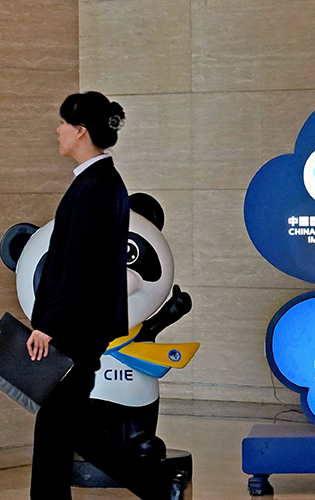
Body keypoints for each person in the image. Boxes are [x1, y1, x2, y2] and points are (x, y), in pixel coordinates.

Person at [25, 91, 186, 500]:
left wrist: (49, 325)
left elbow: (79, 270)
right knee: (59, 424)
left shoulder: (93, 188)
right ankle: (155, 484)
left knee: (72, 425)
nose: (58, 130)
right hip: (84, 328)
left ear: (81, 131)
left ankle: (158, 483)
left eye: (64, 123)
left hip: (74, 331)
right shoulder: (102, 182)